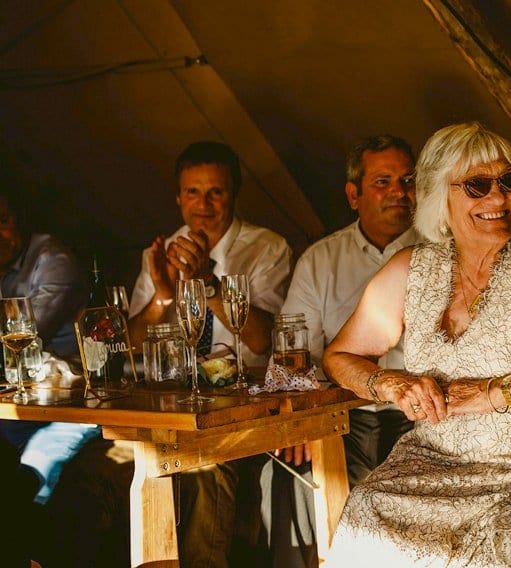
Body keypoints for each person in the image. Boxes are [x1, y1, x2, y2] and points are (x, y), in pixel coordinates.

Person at [321, 122, 511, 566]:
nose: (498, 199)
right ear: (437, 196)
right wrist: (390, 383)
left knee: (492, 548)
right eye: (477, 186)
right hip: (428, 461)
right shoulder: (412, 267)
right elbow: (340, 356)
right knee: (366, 512)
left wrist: (493, 393)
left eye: (510, 181)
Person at [127, 140, 292, 566]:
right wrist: (163, 296)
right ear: (179, 198)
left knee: (205, 469)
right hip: (173, 405)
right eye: (193, 192)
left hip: (240, 404)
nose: (203, 204)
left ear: (234, 194)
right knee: (101, 468)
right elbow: (132, 343)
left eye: (215, 192)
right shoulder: (163, 250)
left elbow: (262, 340)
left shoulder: (267, 247)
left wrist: (207, 281)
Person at [263, 134, 418, 566]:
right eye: (382, 182)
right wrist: (304, 422)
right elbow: (292, 355)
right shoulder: (321, 261)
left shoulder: (442, 251)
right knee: (291, 472)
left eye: (408, 181)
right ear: (354, 195)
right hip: (342, 416)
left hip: (419, 417)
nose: (399, 192)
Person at [0, 187, 98, 505]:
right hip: (21, 405)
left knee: (30, 473)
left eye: (3, 221)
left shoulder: (53, 262)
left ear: (20, 219)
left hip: (70, 403)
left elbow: (25, 335)